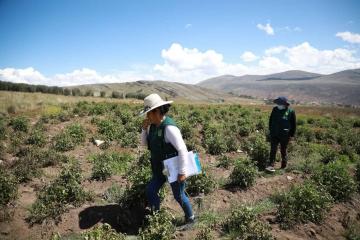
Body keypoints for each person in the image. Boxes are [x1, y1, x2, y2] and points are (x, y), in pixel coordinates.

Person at [140, 93, 195, 223]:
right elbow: (144, 143)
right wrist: (144, 129)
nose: (147, 116)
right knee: (151, 190)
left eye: (149, 113)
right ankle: (156, 217)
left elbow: (182, 149)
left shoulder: (169, 128)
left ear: (157, 111)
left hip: (173, 167)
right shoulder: (152, 126)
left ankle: (191, 218)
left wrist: (182, 172)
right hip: (159, 167)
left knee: (178, 195)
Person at [266, 96, 296, 172]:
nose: (278, 105)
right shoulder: (275, 109)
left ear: (285, 104)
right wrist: (270, 130)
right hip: (274, 133)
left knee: (283, 149)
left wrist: (292, 135)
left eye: (280, 104)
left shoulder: (290, 112)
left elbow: (293, 125)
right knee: (273, 149)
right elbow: (271, 120)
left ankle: (283, 165)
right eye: (278, 104)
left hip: (285, 135)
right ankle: (271, 165)